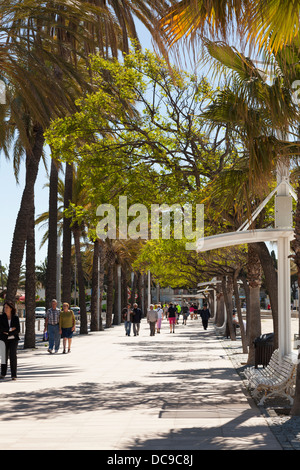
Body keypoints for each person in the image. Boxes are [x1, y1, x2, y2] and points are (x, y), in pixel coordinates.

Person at [0, 301, 20, 380]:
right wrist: (10, 330)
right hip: (3, 339)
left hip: (13, 340)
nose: (5, 309)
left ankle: (14, 375)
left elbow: (17, 329)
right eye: (4, 307)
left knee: (13, 356)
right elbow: (1, 329)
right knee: (4, 356)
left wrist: (7, 332)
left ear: (11, 308)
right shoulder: (1, 317)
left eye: (7, 307)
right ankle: (3, 373)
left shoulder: (15, 318)